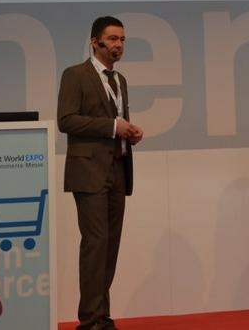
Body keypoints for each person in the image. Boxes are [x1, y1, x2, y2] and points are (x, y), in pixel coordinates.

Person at [58, 16, 144, 330]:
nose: (118, 45)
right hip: (89, 172)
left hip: (118, 169)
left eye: (122, 39)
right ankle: (89, 320)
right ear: (95, 42)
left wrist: (128, 133)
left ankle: (102, 316)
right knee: (95, 244)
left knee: (109, 247)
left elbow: (116, 123)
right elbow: (66, 120)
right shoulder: (75, 75)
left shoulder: (120, 80)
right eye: (112, 39)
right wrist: (112, 127)